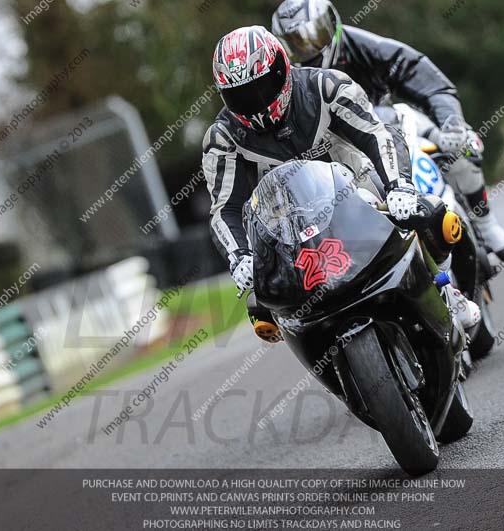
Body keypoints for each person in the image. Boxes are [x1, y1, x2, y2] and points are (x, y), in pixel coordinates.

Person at [202, 26, 480, 329]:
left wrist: (398, 185)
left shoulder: (325, 86)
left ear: (283, 67)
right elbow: (224, 207)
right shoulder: (222, 138)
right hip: (288, 225)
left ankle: (446, 290)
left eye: (263, 85)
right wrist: (239, 256)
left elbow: (377, 134)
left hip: (358, 188)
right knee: (261, 310)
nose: (256, 101)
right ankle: (319, 340)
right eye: (240, 95)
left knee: (432, 215)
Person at [271, 0, 504, 263]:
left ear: (333, 24)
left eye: (315, 35)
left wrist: (451, 122)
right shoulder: (285, 85)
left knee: (463, 144)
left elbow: (424, 76)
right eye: (296, 43)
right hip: (335, 156)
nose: (308, 48)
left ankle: (487, 226)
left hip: (388, 124)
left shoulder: (366, 46)